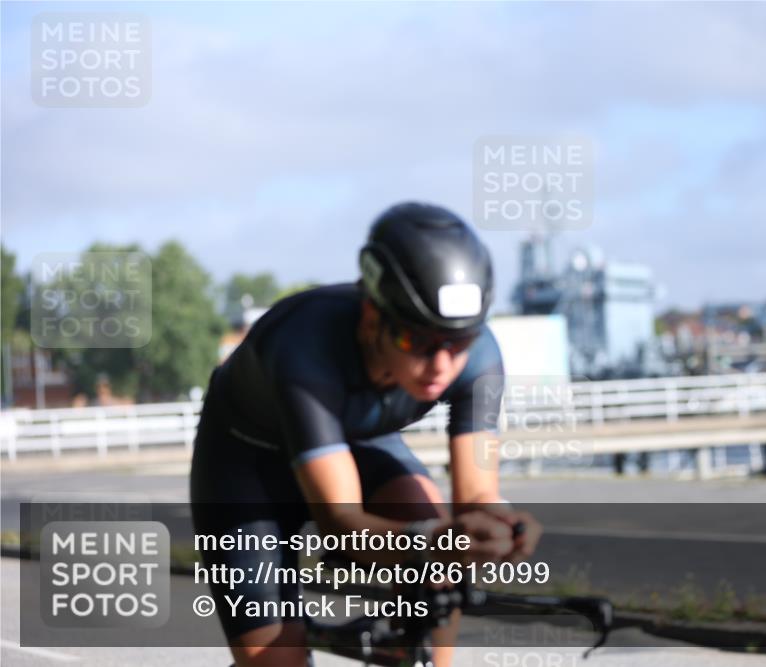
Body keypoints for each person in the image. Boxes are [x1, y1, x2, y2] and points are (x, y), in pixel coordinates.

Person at [189, 202, 542, 667]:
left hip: (357, 445)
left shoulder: (480, 358)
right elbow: (341, 527)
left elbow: (477, 496)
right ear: (373, 318)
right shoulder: (304, 346)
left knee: (440, 552)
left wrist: (502, 527)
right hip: (246, 470)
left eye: (458, 343)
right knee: (276, 658)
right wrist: (435, 540)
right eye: (416, 342)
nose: (440, 365)